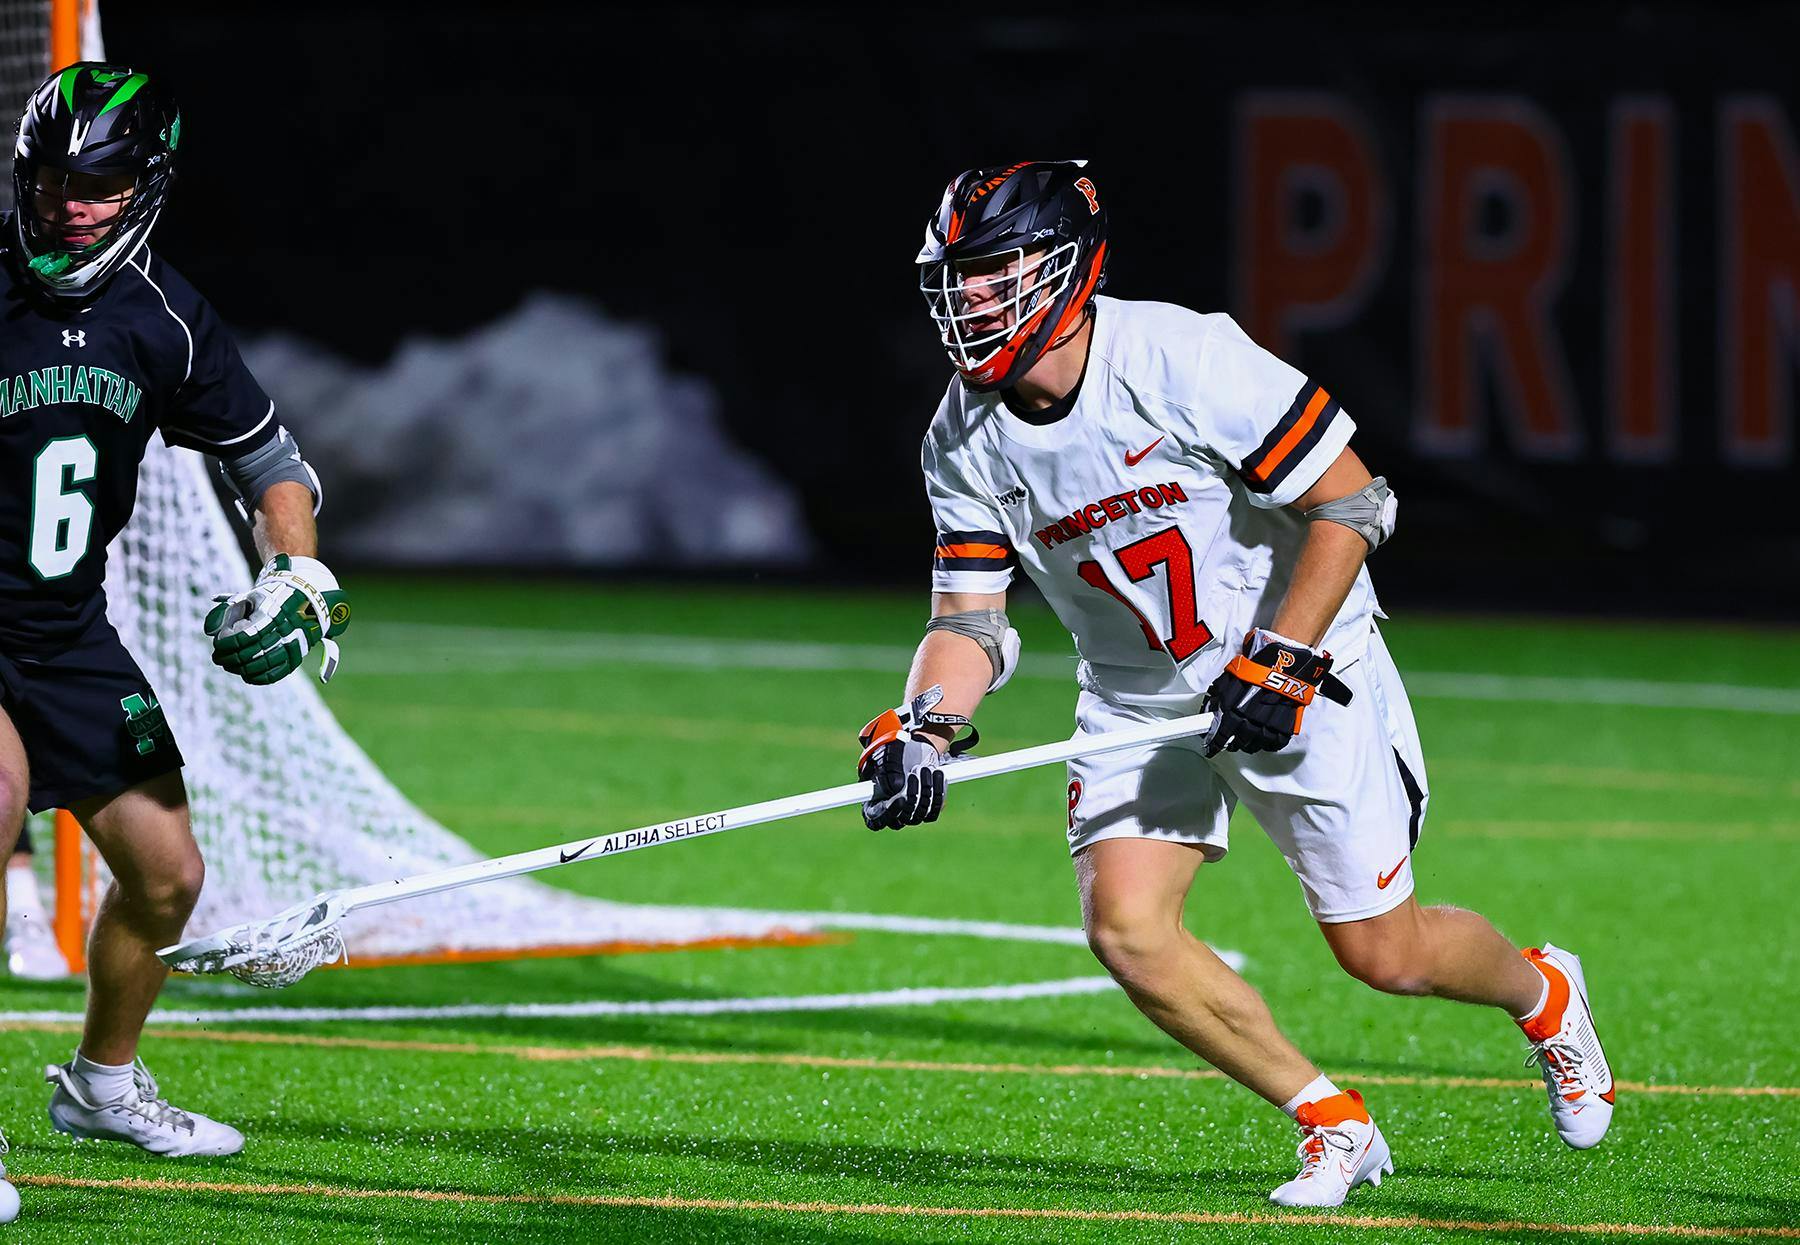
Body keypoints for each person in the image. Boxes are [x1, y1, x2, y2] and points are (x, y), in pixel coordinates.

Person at [859, 160, 1614, 1207]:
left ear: (1067, 268)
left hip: (1305, 666)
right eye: (960, 280)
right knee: (1127, 928)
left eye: (995, 275)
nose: (971, 301)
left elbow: (1354, 503)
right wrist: (928, 726)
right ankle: (1333, 1124)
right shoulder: (963, 435)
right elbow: (970, 622)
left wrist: (1286, 655)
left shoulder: (1181, 355)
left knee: (1384, 956)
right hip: (1137, 698)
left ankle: (1544, 993)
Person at [0, 63, 349, 1157]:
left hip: (65, 633)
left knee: (167, 875)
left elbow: (271, 463)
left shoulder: (165, 319)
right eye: (52, 179)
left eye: (96, 183)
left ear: (146, 185)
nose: (68, 203)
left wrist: (295, 572)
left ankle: (101, 1084)